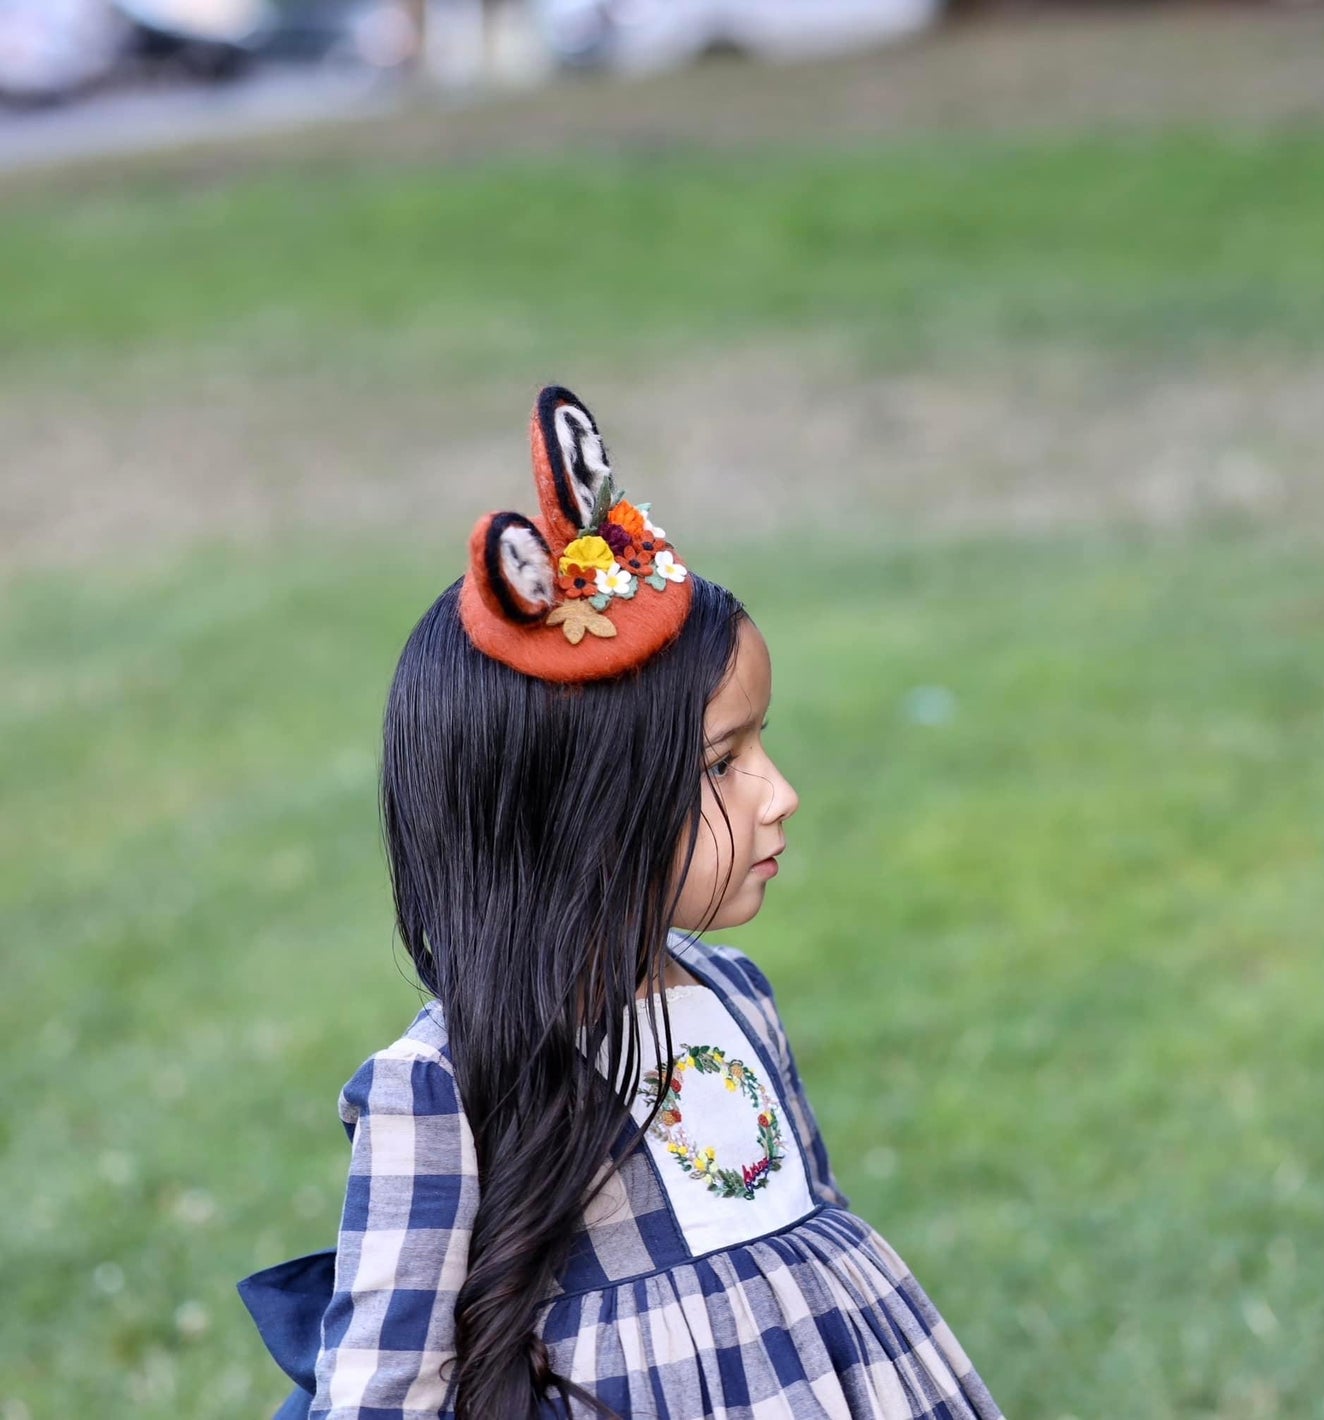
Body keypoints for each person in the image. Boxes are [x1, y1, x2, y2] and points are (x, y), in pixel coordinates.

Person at [238, 386, 1004, 1419]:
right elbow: (384, 1388)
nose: (780, 794)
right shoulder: (443, 1085)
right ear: (577, 813)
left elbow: (814, 1225)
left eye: (760, 744)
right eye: (722, 763)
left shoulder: (736, 992)